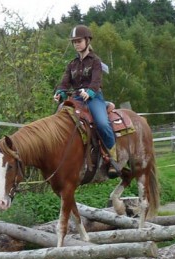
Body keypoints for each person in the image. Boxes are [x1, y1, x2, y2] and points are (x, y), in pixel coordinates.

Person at [53, 24, 119, 177]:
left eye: (79, 41)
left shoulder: (95, 61)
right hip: (76, 99)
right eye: (74, 41)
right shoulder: (72, 64)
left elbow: (96, 81)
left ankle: (114, 158)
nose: (76, 44)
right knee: (57, 121)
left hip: (94, 98)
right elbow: (64, 82)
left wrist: (89, 92)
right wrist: (59, 93)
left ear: (87, 40)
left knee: (102, 123)